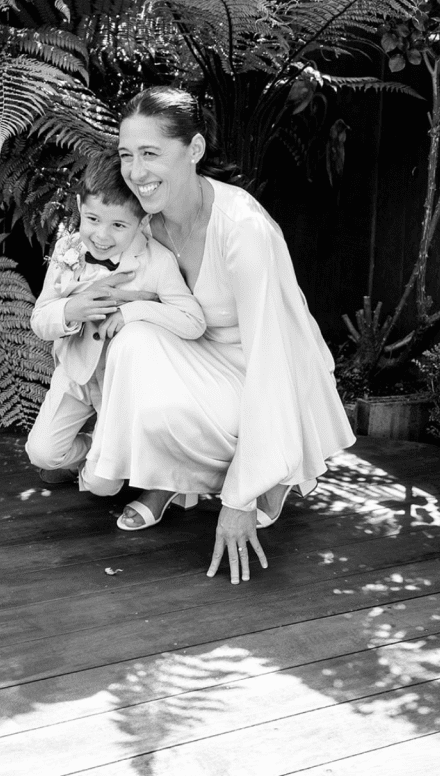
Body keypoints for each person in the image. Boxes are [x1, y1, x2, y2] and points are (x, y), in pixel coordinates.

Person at [81, 87, 356, 585]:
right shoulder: (143, 220)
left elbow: (272, 362)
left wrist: (240, 500)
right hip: (196, 356)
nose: (136, 172)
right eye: (126, 155)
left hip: (266, 373)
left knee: (158, 380)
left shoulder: (243, 229)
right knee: (131, 338)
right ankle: (170, 478)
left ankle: (261, 473)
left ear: (194, 149)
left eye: (150, 154)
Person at [26, 151, 206, 486]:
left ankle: (110, 462)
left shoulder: (157, 262)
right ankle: (94, 449)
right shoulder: (67, 250)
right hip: (76, 371)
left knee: (102, 484)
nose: (102, 236)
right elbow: (39, 320)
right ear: (79, 206)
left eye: (119, 225)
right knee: (42, 454)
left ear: (142, 222)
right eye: (93, 219)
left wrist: (133, 310)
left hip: (121, 385)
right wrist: (70, 309)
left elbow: (193, 322)